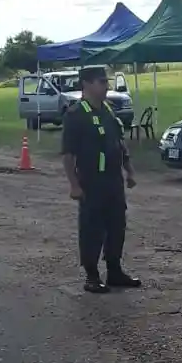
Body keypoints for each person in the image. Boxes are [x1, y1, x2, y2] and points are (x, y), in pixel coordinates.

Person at [61, 65, 141, 294]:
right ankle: (92, 275)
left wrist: (129, 170)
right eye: (101, 82)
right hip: (91, 181)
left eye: (106, 82)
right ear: (86, 84)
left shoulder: (108, 110)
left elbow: (119, 143)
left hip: (113, 181)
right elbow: (68, 154)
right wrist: (74, 185)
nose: (106, 86)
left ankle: (114, 271)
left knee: (117, 226)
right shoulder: (76, 115)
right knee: (92, 228)